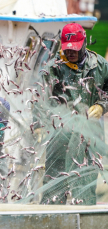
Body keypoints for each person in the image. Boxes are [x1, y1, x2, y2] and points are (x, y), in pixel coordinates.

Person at [35, 23, 108, 205]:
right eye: (67, 49)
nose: (70, 53)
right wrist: (38, 126)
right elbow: (40, 100)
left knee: (84, 184)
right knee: (53, 185)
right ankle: (50, 226)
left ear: (84, 43)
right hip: (61, 132)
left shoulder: (101, 66)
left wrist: (101, 106)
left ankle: (83, 226)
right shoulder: (53, 68)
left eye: (75, 48)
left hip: (89, 135)